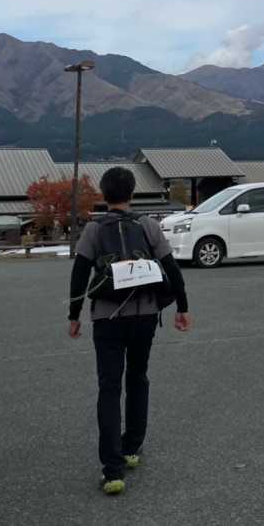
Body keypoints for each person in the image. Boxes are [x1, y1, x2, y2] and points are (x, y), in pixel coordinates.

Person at [68, 167, 192, 496]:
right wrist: (182, 308)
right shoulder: (148, 225)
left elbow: (79, 273)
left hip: (107, 318)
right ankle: (132, 448)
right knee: (138, 377)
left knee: (109, 388)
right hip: (145, 315)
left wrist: (73, 315)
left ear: (104, 194)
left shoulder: (94, 229)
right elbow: (172, 268)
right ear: (132, 194)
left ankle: (113, 471)